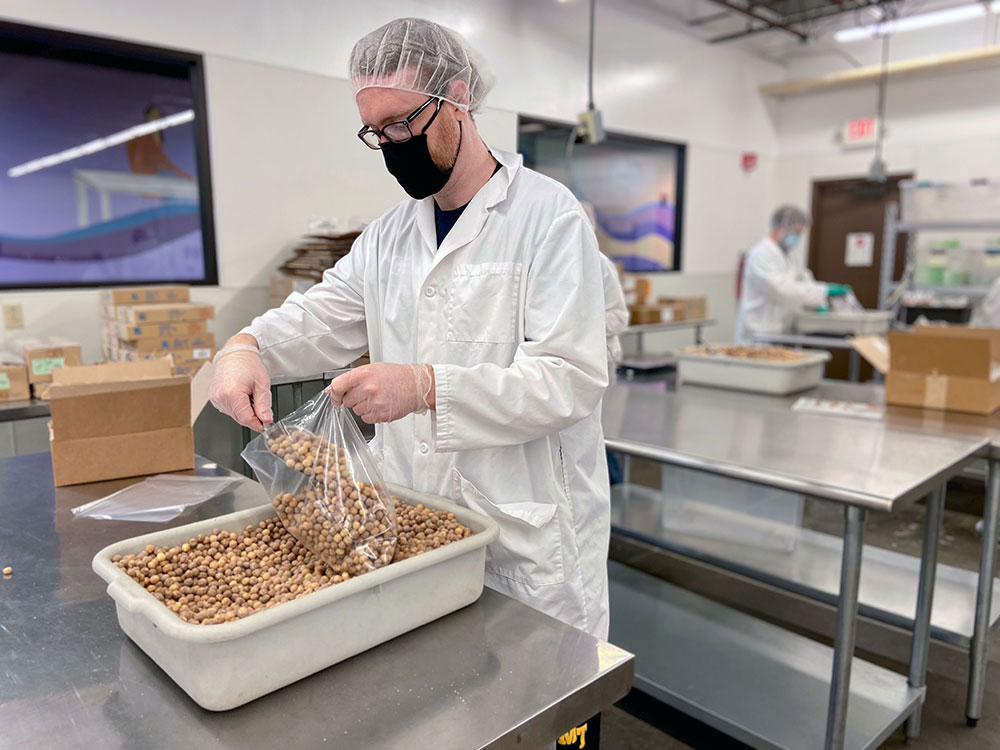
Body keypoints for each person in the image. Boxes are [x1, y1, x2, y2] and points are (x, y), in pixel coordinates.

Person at [209, 18, 615, 642]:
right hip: (414, 525)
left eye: (405, 123)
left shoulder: (548, 217)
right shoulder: (391, 233)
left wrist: (427, 388)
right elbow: (322, 313)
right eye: (377, 132)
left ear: (457, 98)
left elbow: (571, 379)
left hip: (524, 538)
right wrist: (246, 346)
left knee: (539, 715)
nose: (393, 143)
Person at [734, 204, 851, 344]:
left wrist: (818, 301)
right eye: (796, 232)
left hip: (782, 331)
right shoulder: (762, 254)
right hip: (760, 333)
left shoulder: (790, 255)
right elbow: (781, 289)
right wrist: (823, 291)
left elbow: (803, 280)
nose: (797, 237)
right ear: (781, 227)